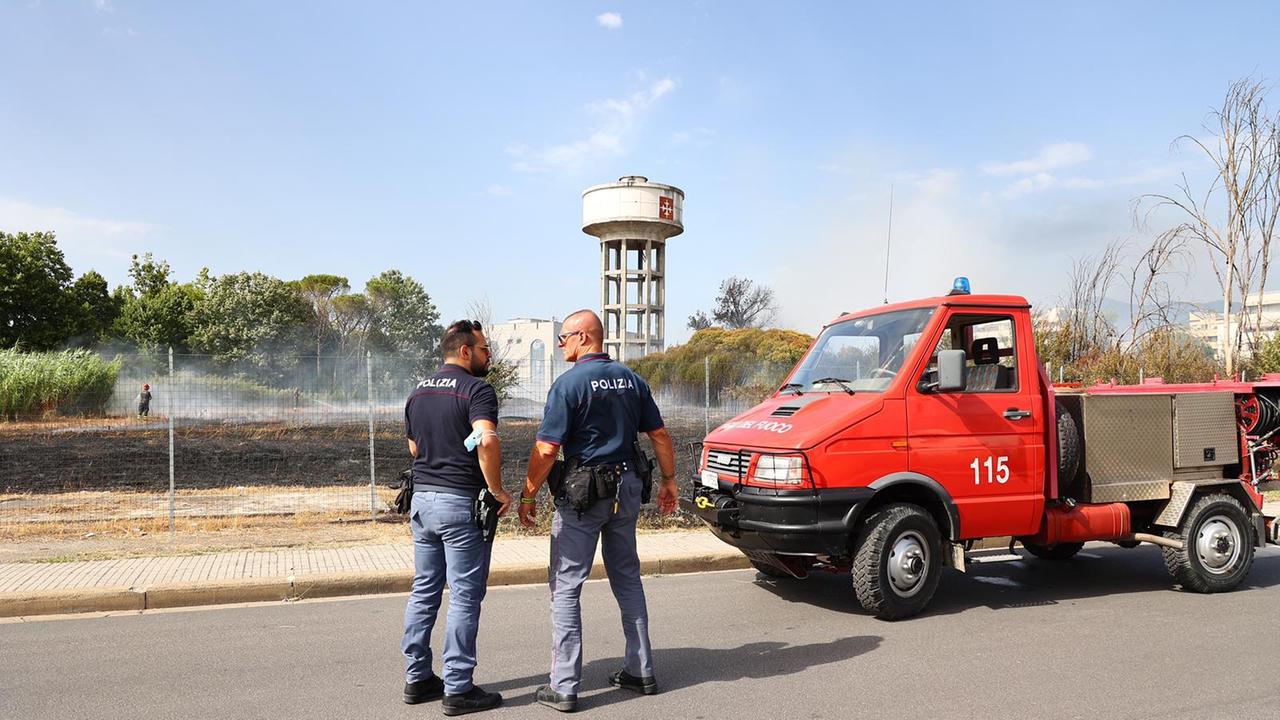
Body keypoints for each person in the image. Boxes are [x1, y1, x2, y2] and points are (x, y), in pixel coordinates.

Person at [518, 309, 678, 713]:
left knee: (566, 585)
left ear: (584, 337)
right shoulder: (631, 379)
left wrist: (528, 494)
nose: (561, 343)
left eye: (565, 337)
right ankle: (641, 670)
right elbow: (659, 434)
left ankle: (564, 686)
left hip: (584, 495)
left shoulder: (569, 384)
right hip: (627, 488)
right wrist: (669, 480)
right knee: (627, 577)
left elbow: (547, 449)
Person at [401, 320, 513, 715]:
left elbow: (415, 448)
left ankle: (417, 678)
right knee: (465, 595)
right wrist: (497, 490)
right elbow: (486, 439)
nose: (488, 355)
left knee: (424, 589)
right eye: (484, 349)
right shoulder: (477, 390)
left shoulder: (418, 391)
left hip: (422, 501)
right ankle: (458, 687)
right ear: (465, 351)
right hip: (459, 503)